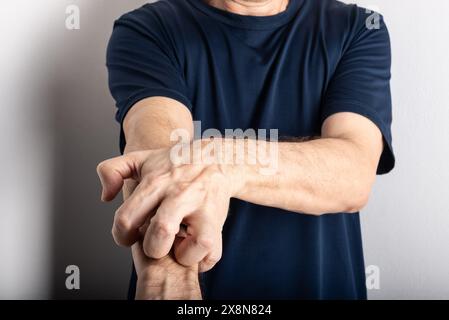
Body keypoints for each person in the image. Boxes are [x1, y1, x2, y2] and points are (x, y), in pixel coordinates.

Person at [97, 0, 395, 300]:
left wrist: (221, 163)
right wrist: (170, 281)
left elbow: (352, 174)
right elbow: (158, 161)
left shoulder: (357, 28)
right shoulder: (149, 28)